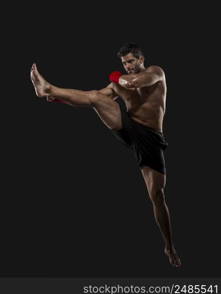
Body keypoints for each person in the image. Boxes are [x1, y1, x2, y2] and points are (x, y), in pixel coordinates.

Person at [30, 43, 181, 267]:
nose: (127, 66)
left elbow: (133, 82)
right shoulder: (119, 82)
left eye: (130, 61)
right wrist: (60, 98)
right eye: (124, 63)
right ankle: (48, 89)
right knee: (97, 99)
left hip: (150, 138)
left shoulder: (155, 73)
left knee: (156, 195)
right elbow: (90, 97)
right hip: (128, 127)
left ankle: (169, 246)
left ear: (140, 59)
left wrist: (116, 76)